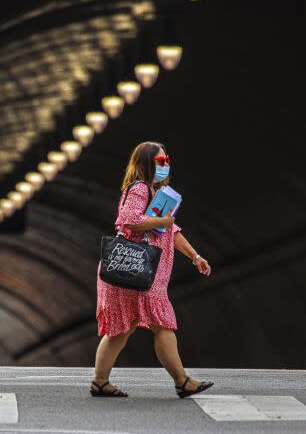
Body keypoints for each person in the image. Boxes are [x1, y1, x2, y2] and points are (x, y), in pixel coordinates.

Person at [90, 141, 214, 398]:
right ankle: (182, 381)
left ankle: (100, 382)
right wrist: (164, 220)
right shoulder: (139, 189)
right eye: (160, 161)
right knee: (162, 323)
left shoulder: (156, 192)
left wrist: (195, 256)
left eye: (166, 160)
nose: (165, 165)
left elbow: (172, 232)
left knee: (122, 329)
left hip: (134, 272)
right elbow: (130, 220)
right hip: (134, 270)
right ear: (146, 163)